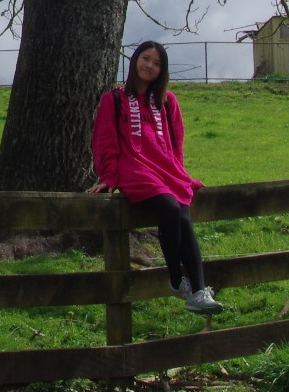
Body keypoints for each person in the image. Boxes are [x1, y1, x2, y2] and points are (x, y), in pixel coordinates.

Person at [89, 40, 224, 315]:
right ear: (135, 60)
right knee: (170, 208)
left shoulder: (167, 101)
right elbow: (106, 141)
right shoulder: (113, 100)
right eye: (146, 58)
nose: (150, 65)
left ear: (162, 70)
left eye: (157, 63)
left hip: (166, 169)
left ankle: (198, 290)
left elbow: (176, 142)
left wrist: (182, 175)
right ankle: (176, 279)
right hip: (134, 168)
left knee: (184, 215)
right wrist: (109, 177)